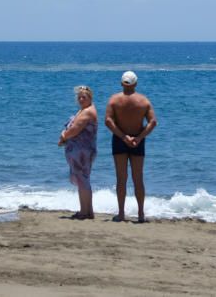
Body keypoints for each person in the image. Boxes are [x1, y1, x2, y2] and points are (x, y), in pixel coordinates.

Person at [104, 71, 157, 222]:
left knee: (121, 178)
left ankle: (121, 214)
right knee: (138, 178)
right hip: (137, 141)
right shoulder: (143, 101)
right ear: (136, 84)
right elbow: (153, 122)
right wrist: (139, 137)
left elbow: (108, 121)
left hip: (120, 140)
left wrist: (122, 136)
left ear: (122, 83)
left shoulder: (114, 100)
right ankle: (140, 214)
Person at [58, 85, 98, 219]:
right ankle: (86, 211)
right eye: (79, 97)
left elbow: (75, 130)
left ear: (90, 98)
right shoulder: (84, 110)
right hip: (81, 150)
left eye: (84, 97)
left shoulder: (87, 112)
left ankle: (85, 212)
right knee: (83, 179)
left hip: (82, 151)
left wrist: (64, 135)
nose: (81, 99)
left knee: (83, 180)